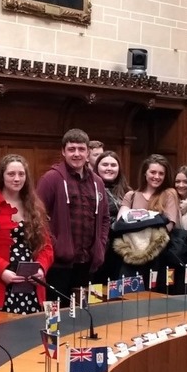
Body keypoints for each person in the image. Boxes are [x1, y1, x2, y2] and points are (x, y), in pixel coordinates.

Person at [0, 154, 54, 313]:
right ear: (1, 176)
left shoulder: (34, 205)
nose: (17, 179)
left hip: (32, 286)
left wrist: (41, 269)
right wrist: (2, 271)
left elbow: (47, 247)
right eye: (11, 174)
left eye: (21, 174)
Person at [37, 128, 109, 300]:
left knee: (85, 314)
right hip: (58, 264)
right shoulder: (51, 179)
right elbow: (37, 217)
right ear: (63, 151)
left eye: (81, 149)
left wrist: (101, 244)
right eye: (71, 149)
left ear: (88, 152)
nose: (76, 154)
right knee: (57, 317)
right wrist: (54, 244)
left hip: (89, 263)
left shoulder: (98, 182)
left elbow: (105, 218)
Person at [91, 151, 131, 283]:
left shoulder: (127, 190)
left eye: (113, 165)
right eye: (105, 164)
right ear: (97, 167)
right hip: (101, 246)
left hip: (123, 247)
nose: (109, 168)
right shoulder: (90, 187)